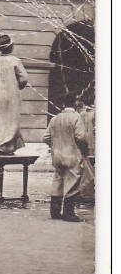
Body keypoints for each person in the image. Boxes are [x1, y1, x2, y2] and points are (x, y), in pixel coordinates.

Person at [42, 92, 88, 222]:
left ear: (63, 104)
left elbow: (45, 137)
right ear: (75, 103)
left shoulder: (55, 118)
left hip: (57, 155)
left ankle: (55, 212)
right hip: (72, 154)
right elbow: (81, 137)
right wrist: (83, 149)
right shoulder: (76, 118)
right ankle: (68, 213)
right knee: (72, 182)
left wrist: (55, 144)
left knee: (58, 181)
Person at [0, 34, 29, 155]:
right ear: (11, 47)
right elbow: (24, 78)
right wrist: (16, 86)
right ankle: (7, 148)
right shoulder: (15, 61)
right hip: (9, 96)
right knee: (10, 121)